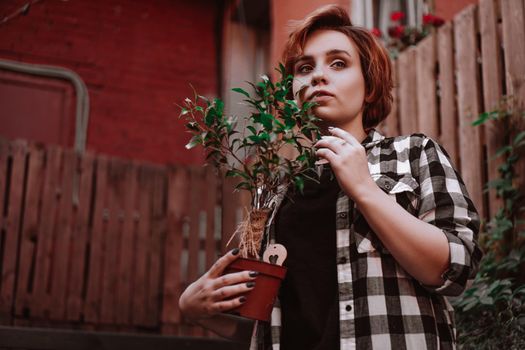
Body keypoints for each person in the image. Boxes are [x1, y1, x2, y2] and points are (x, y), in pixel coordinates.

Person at [178, 5, 482, 350]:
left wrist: (365, 190)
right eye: (304, 68)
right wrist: (197, 311)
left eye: (338, 63)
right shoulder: (279, 191)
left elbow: (454, 268)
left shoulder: (413, 154)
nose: (317, 76)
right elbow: (273, 326)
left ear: (369, 88)